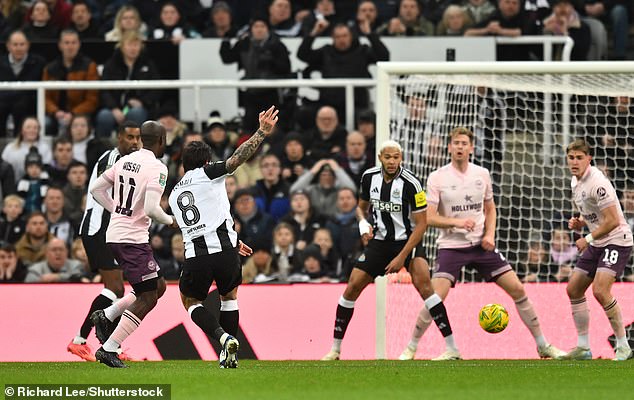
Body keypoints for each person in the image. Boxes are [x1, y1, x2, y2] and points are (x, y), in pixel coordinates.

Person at [398, 127, 564, 360]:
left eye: (464, 143)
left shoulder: (482, 174)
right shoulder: (437, 177)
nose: (459, 147)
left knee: (517, 288)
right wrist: (455, 222)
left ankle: (543, 345)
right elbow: (430, 217)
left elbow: (490, 208)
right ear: (449, 147)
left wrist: (490, 235)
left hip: (481, 245)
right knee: (435, 296)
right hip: (451, 247)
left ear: (471, 148)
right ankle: (412, 347)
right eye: (456, 143)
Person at [322, 140, 455, 361]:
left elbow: (422, 224)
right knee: (352, 286)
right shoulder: (369, 177)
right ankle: (335, 349)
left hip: (407, 241)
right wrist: (363, 225)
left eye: (396, 157)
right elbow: (360, 208)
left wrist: (401, 257)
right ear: (380, 157)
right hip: (380, 243)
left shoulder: (412, 183)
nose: (392, 161)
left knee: (425, 287)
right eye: (388, 157)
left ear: (401, 158)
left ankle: (452, 348)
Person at [168, 105, 279, 368]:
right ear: (206, 161)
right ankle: (231, 352)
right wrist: (261, 133)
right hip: (226, 251)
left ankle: (222, 338)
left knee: (191, 301)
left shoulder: (173, 194)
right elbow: (235, 160)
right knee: (229, 296)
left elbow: (191, 222)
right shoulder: (209, 173)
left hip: (197, 255)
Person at [89, 120, 176, 368]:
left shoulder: (124, 160)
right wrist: (170, 221)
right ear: (161, 141)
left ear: (141, 139)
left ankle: (106, 315)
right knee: (148, 298)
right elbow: (151, 208)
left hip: (117, 234)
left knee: (157, 287)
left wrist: (117, 210)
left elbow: (96, 189)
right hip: (131, 239)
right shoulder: (158, 167)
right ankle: (109, 348)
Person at [66, 121, 140, 362]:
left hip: (111, 230)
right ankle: (87, 342)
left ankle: (102, 345)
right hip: (98, 228)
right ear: (119, 138)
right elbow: (105, 191)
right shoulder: (111, 159)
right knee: (114, 288)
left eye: (137, 138)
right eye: (129, 137)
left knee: (117, 289)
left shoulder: (129, 162)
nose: (134, 142)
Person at [562, 138, 633, 361]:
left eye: (579, 158)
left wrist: (588, 237)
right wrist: (581, 222)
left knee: (601, 291)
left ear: (589, 159)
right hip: (599, 241)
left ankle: (623, 346)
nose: (575, 162)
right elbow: (595, 213)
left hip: (616, 240)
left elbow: (612, 220)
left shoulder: (598, 183)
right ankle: (583, 347)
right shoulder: (576, 182)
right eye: (571, 158)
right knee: (573, 289)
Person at [42, 29, 99, 136]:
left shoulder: (89, 66)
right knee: (45, 123)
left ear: (79, 45)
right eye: (66, 43)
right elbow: (45, 97)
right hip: (55, 115)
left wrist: (73, 113)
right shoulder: (50, 68)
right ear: (60, 45)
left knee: (80, 124)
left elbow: (92, 99)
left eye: (73, 42)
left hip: (81, 114)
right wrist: (55, 112)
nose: (70, 46)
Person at [0, 31, 45, 138]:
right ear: (8, 46)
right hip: (3, 103)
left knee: (21, 106)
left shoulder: (39, 62)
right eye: (15, 44)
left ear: (28, 45)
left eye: (22, 44)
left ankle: (20, 143)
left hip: (28, 105)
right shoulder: (0, 62)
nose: (18, 48)